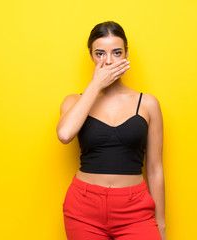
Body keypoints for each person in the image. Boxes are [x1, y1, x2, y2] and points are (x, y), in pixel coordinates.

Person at [56, 21, 166, 240]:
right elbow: (65, 135)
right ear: (91, 56)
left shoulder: (147, 103)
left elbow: (155, 169)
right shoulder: (74, 101)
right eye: (100, 53)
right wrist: (95, 85)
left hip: (135, 209)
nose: (108, 61)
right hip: (83, 208)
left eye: (116, 52)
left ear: (126, 53)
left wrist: (161, 226)